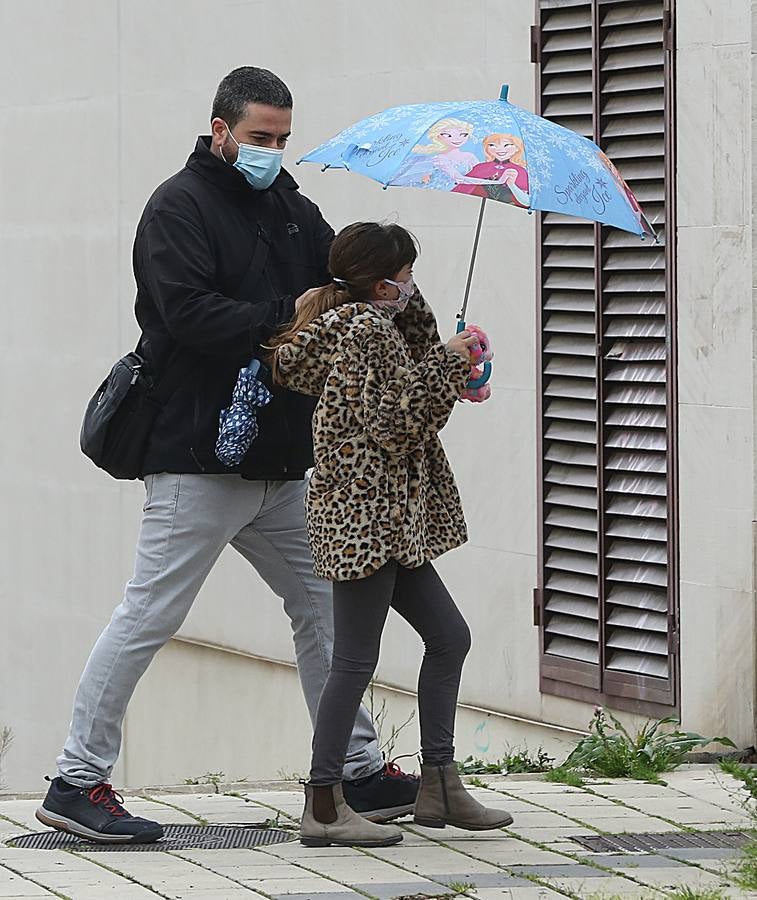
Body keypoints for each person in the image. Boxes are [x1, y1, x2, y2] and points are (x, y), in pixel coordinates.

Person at [36, 68, 418, 846]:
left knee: (326, 609)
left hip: (281, 458)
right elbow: (186, 314)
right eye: (258, 138)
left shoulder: (294, 210)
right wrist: (294, 316)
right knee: (150, 614)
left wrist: (399, 306)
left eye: (282, 139)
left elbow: (337, 290)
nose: (272, 151)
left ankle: (355, 770)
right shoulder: (177, 207)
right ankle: (76, 781)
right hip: (195, 456)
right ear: (219, 130)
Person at [269, 222, 514, 847]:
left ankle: (438, 782)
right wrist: (446, 364)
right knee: (354, 661)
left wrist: (439, 347)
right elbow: (396, 423)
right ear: (382, 283)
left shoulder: (372, 323)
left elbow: (402, 391)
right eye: (406, 277)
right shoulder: (365, 331)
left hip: (387, 518)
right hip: (364, 519)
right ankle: (324, 802)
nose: (413, 285)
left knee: (449, 636)